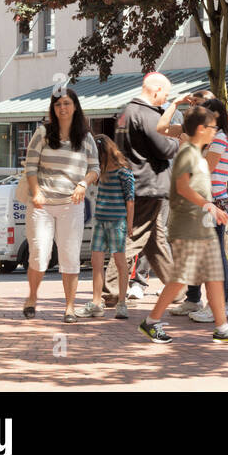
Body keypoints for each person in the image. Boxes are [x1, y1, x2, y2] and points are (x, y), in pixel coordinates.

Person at [139, 106, 228, 344]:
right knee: (181, 277)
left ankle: (222, 328)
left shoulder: (196, 154)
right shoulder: (187, 154)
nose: (215, 132)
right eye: (212, 127)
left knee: (214, 276)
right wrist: (209, 206)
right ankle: (151, 322)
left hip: (201, 224)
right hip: (188, 225)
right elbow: (182, 187)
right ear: (201, 129)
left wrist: (215, 209)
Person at [21, 87, 100, 322]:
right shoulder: (43, 133)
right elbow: (30, 166)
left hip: (71, 204)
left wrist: (83, 184)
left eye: (66, 103)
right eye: (58, 104)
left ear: (75, 106)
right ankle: (32, 298)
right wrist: (36, 193)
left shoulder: (85, 137)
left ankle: (69, 307)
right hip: (42, 204)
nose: (62, 108)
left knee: (70, 255)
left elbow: (95, 168)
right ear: (53, 109)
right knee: (39, 254)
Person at [161, 98, 228, 321]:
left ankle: (222, 304)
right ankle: (195, 299)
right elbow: (161, 128)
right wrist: (174, 104)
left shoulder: (220, 138)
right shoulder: (203, 137)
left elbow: (207, 168)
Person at [103, 73, 178, 304]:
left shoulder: (125, 113)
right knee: (131, 239)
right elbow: (165, 149)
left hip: (136, 183)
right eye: (165, 93)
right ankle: (112, 291)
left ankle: (178, 290)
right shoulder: (146, 114)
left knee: (156, 242)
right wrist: (178, 139)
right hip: (148, 185)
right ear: (155, 90)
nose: (165, 98)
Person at [77, 135, 135, 319]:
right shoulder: (100, 172)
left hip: (117, 222)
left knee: (120, 262)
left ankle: (122, 303)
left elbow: (130, 200)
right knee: (96, 262)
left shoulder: (123, 172)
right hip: (100, 222)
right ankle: (96, 303)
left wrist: (130, 225)